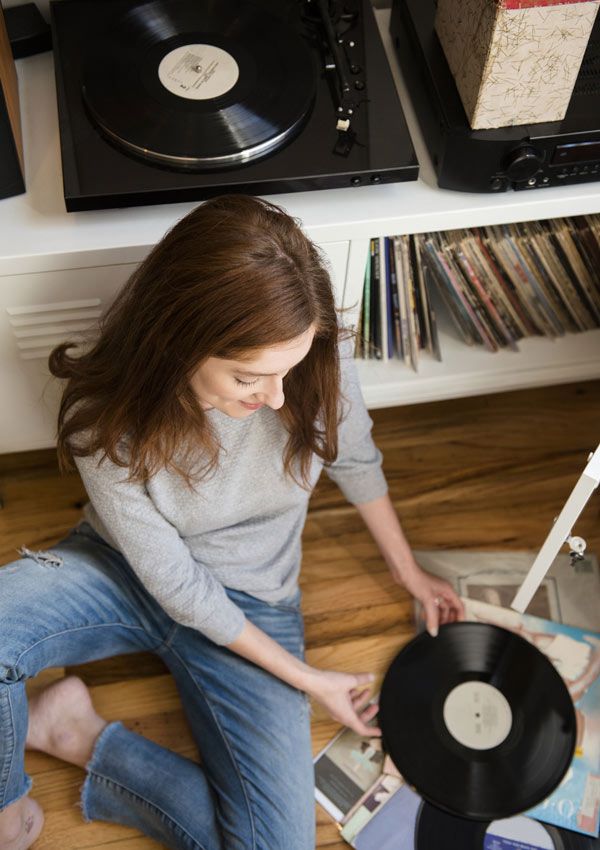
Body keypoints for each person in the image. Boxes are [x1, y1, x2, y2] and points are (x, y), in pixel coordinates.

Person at [0, 195, 463, 850]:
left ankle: (79, 735)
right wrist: (310, 681)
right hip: (123, 572)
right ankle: (7, 813)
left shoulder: (310, 359)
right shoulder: (106, 420)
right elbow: (178, 589)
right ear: (181, 342)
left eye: (290, 370)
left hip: (253, 596)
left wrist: (407, 570)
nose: (277, 398)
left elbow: (353, 456)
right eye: (250, 377)